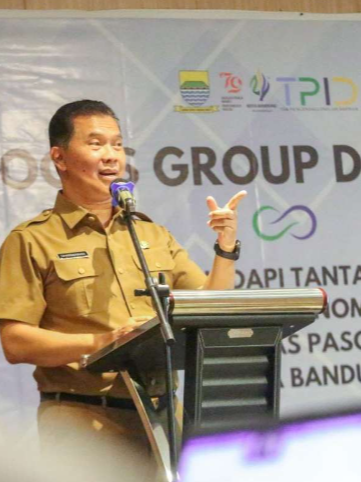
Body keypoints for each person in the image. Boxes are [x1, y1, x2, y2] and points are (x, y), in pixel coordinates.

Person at [0, 100, 246, 481]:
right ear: (59, 157)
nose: (111, 155)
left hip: (164, 417)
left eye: (117, 144)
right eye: (96, 144)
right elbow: (15, 342)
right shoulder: (32, 240)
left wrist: (225, 247)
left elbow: (209, 305)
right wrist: (102, 342)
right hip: (83, 423)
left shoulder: (150, 233)